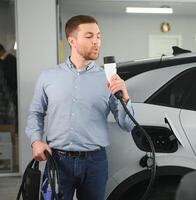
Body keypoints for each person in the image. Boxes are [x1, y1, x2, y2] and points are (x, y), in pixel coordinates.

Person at [25, 15, 135, 200]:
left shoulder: (108, 79)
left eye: (99, 36)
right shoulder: (48, 77)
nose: (96, 42)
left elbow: (127, 125)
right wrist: (36, 141)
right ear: (72, 41)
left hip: (95, 163)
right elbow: (36, 113)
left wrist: (125, 96)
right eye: (89, 36)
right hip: (57, 161)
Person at [0, 43, 17, 125]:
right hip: (10, 94)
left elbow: (9, 80)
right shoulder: (10, 59)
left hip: (9, 95)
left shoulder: (9, 60)